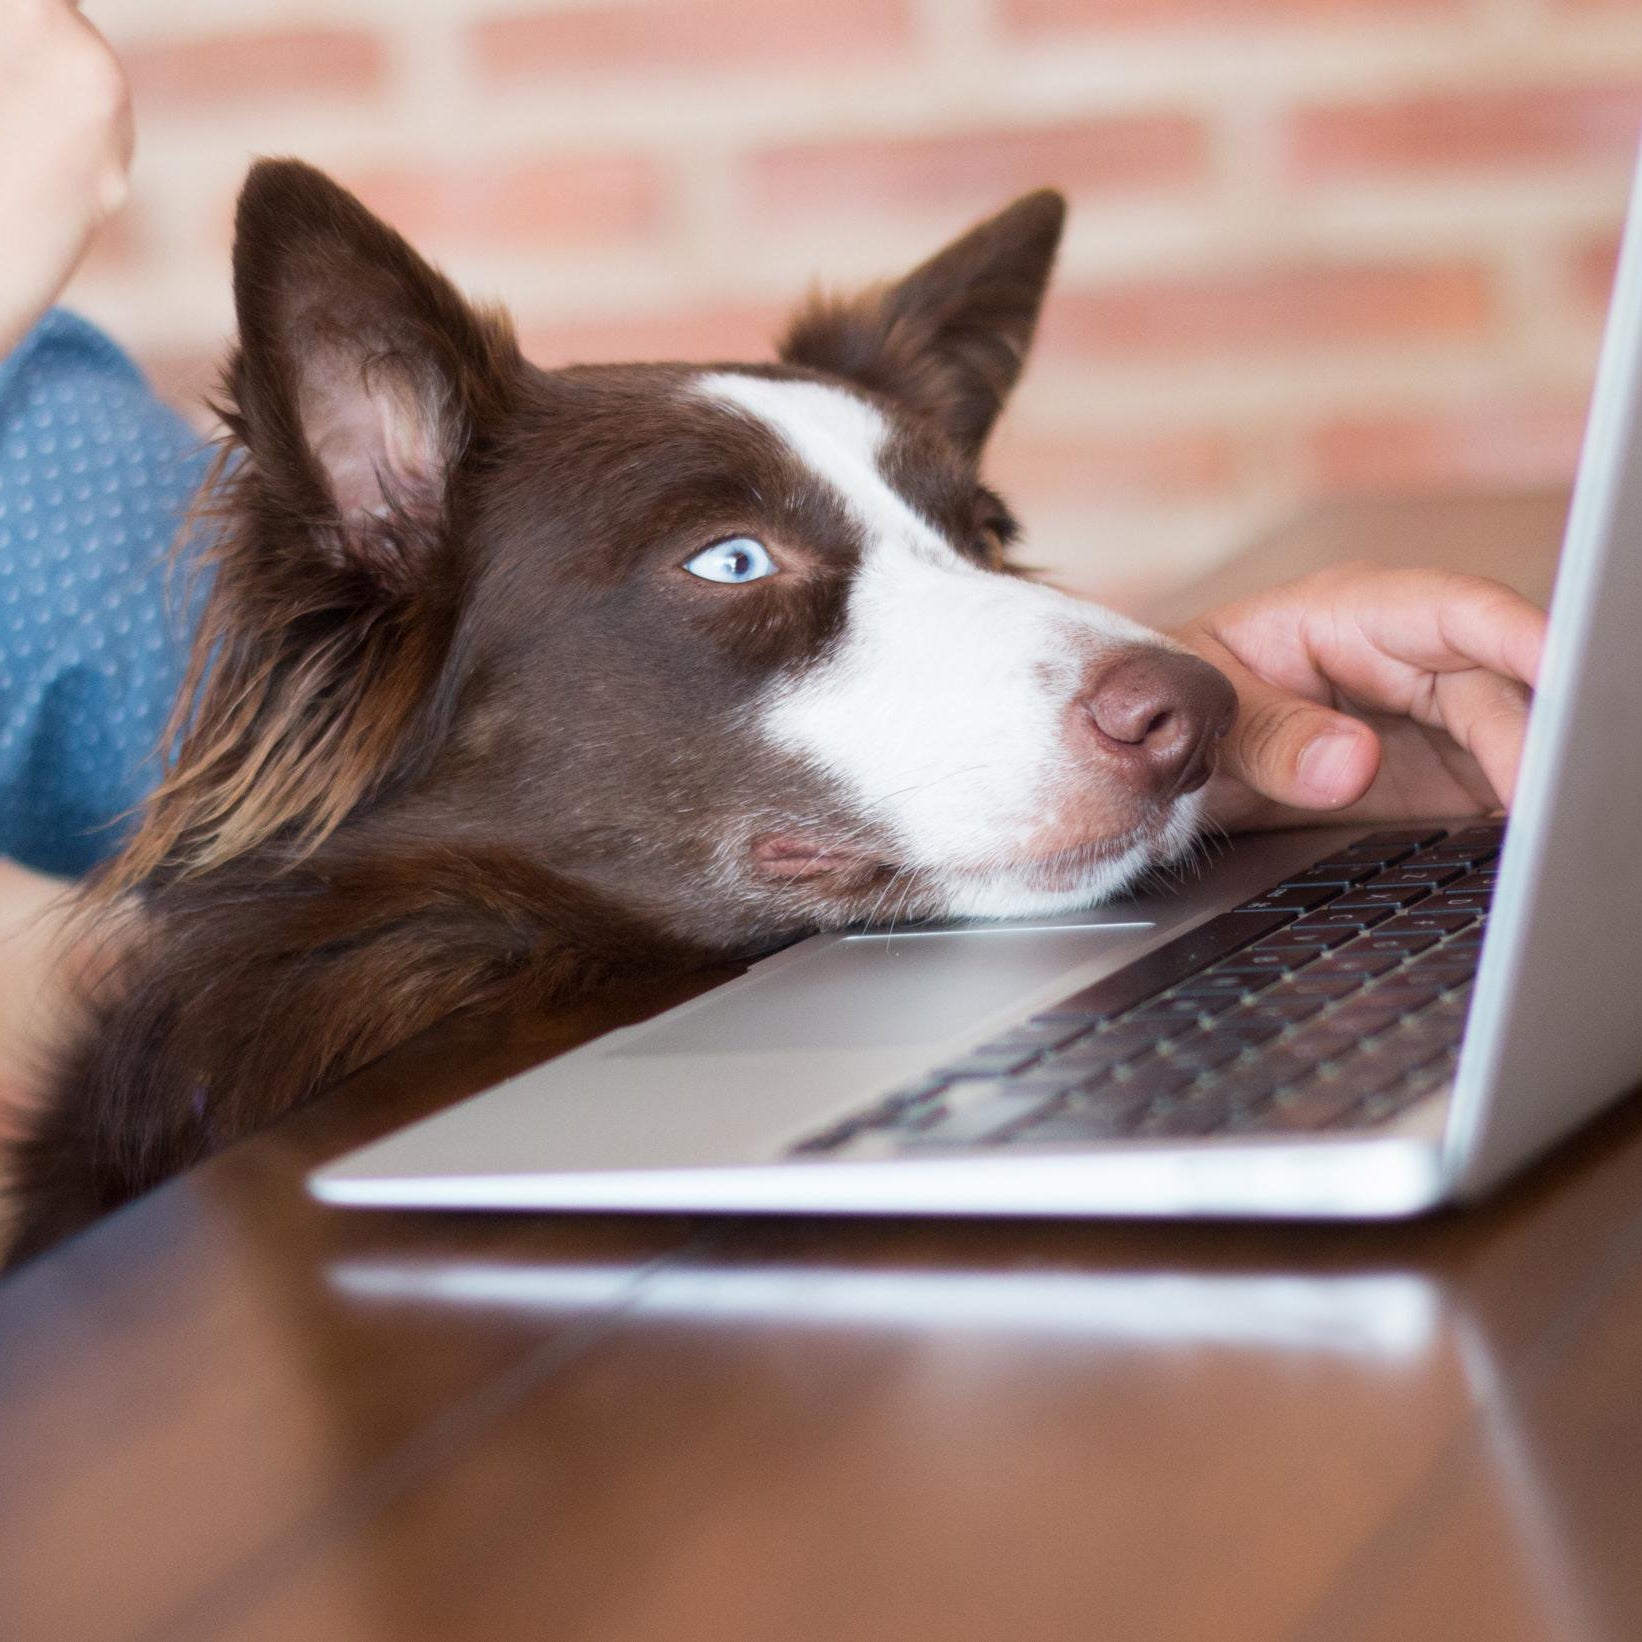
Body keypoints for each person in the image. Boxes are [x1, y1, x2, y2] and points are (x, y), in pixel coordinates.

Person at [0, 0, 1545, 1166]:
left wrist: (1142, 754)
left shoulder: (56, 461)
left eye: (972, 541)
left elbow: (242, 762)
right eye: (731, 557)